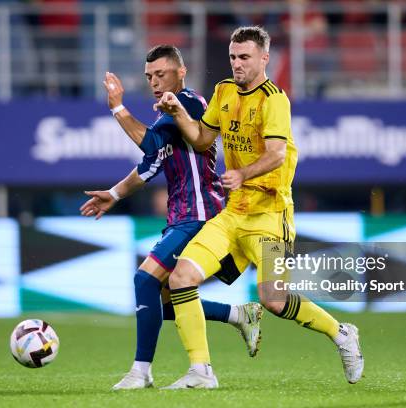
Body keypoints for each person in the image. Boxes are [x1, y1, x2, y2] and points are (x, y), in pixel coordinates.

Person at [155, 27, 364, 389]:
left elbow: (277, 154)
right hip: (234, 214)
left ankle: (342, 333)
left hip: (270, 216)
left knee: (274, 300)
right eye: (234, 56)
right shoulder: (222, 91)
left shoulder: (274, 100)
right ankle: (201, 371)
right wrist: (177, 113)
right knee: (180, 279)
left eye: (245, 57)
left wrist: (241, 174)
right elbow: (203, 137)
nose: (236, 63)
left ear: (264, 58)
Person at [79, 45, 262, 390]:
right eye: (149, 76)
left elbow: (148, 144)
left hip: (201, 214)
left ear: (182, 72)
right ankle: (239, 314)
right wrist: (114, 195)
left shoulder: (190, 103)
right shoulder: (166, 117)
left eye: (160, 74)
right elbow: (149, 166)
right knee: (164, 302)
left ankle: (141, 372)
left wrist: (117, 107)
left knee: (145, 281)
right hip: (181, 215)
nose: (154, 82)